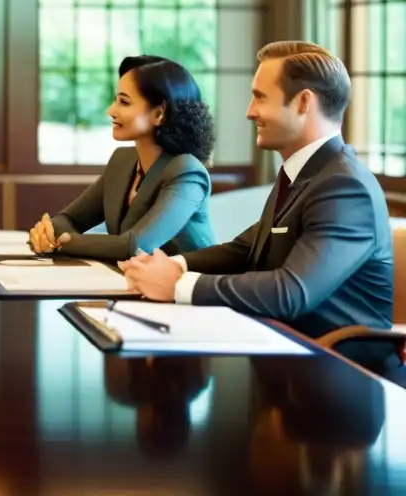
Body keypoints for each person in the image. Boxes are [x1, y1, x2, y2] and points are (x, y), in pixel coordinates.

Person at [122, 41, 396, 377]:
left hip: (340, 379)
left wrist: (177, 285)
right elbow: (244, 250)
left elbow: (290, 292)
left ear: (303, 103)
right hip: (283, 357)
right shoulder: (299, 173)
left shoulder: (345, 187)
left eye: (260, 97)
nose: (250, 111)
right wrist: (165, 266)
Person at [29, 55, 216, 261]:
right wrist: (48, 232)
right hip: (133, 284)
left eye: (124, 102)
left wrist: (62, 243)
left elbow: (135, 246)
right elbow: (71, 219)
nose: (111, 110)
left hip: (190, 288)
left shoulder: (188, 173)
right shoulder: (122, 161)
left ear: (159, 114)